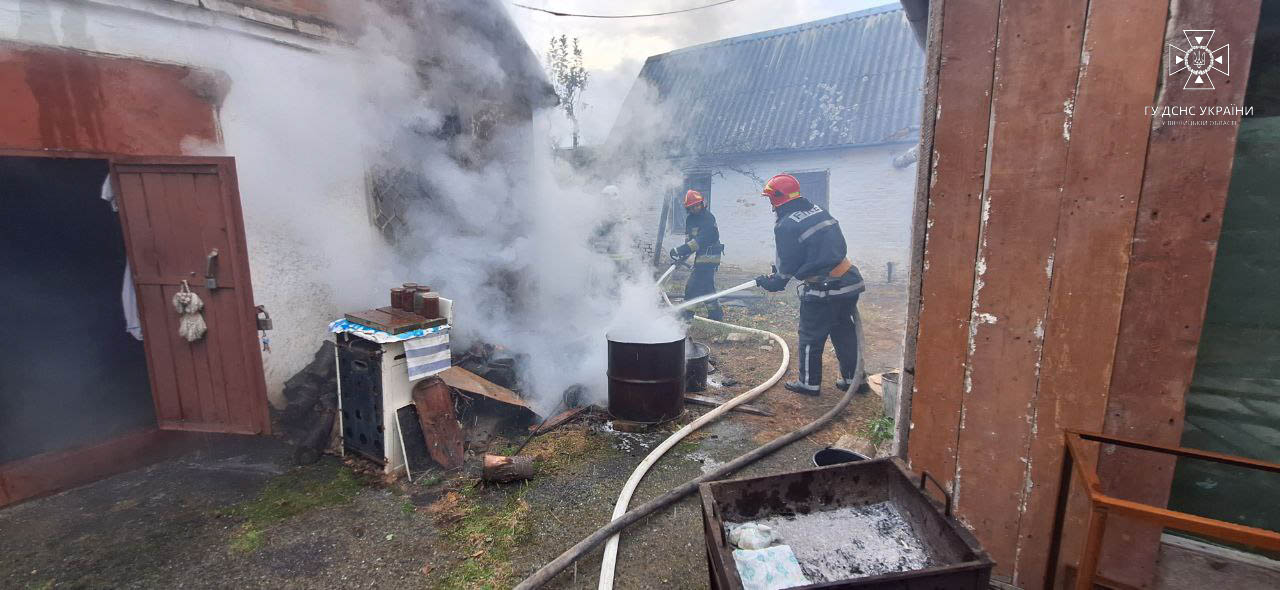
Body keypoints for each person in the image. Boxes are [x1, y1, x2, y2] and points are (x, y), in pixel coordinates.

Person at [754, 173, 867, 395]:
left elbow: (786, 269)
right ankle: (855, 380)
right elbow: (818, 248)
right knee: (843, 331)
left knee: (810, 336)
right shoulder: (817, 210)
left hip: (824, 289)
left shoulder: (785, 225)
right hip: (848, 282)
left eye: (771, 199)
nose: (770, 204)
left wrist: (773, 282)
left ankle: (808, 384)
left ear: (778, 199)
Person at [670, 189, 724, 321]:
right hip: (700, 257)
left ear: (702, 203)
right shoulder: (690, 220)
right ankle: (716, 315)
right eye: (692, 207)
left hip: (710, 256)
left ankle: (687, 316)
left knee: (692, 286)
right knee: (707, 288)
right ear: (688, 208)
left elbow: (700, 240)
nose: (695, 208)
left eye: (697, 205)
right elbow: (689, 241)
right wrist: (681, 258)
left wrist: (680, 250)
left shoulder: (708, 218)